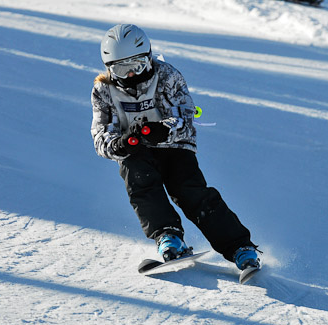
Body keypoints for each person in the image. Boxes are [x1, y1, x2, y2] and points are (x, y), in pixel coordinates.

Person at [90, 24, 260, 272]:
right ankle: (168, 235)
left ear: (148, 58)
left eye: (136, 66)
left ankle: (239, 247)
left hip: (175, 145)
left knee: (189, 190)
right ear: (109, 68)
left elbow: (184, 113)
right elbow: (101, 135)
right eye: (121, 68)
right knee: (140, 183)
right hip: (135, 150)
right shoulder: (103, 90)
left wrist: (165, 129)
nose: (129, 75)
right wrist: (120, 143)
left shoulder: (166, 75)